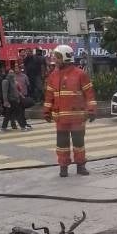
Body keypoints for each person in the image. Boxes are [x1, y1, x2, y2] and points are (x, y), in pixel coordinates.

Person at [44, 44, 97, 177]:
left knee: (79, 143)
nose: (55, 60)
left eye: (57, 57)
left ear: (65, 57)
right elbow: (49, 96)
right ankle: (63, 167)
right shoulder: (53, 76)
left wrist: (91, 110)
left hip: (77, 118)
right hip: (60, 119)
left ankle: (80, 166)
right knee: (62, 144)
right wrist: (46, 111)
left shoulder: (80, 74)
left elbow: (89, 94)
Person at [0, 67, 28, 131]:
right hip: (10, 100)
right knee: (18, 113)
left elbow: (16, 91)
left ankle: (4, 127)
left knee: (8, 114)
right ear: (7, 73)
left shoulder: (13, 81)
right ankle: (23, 126)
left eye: (12, 72)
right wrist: (6, 101)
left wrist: (19, 97)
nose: (12, 74)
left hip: (14, 99)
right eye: (10, 72)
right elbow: (4, 92)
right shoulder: (5, 81)